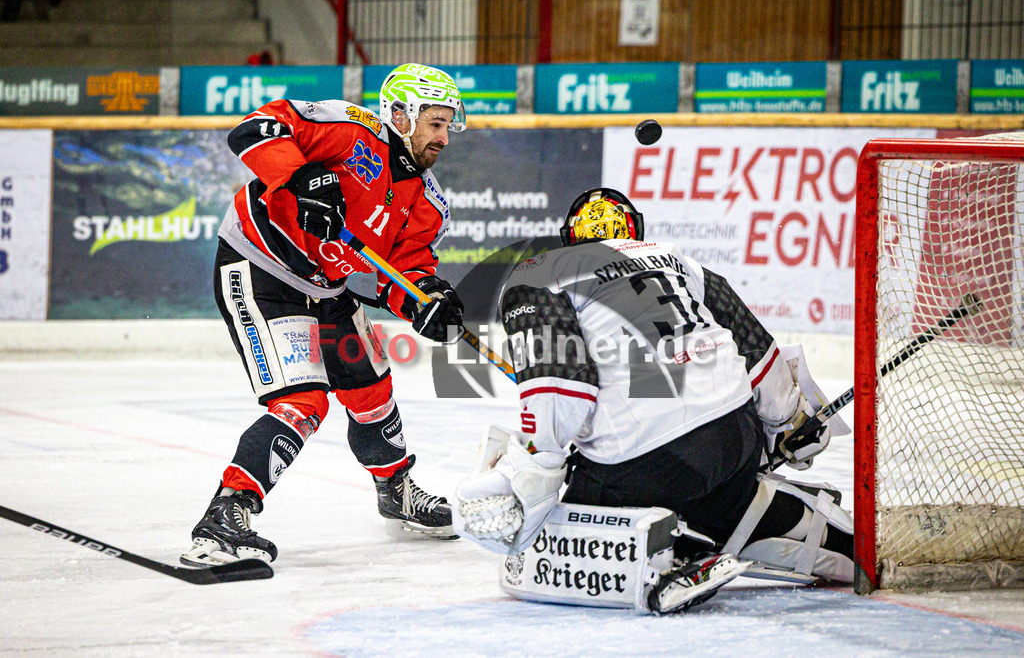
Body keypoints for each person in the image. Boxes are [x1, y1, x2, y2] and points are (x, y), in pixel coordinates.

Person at [453, 188, 854, 613]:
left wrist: (534, 468)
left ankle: (672, 553)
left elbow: (561, 389)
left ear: (568, 237)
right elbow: (757, 352)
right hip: (737, 438)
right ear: (636, 231)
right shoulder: (681, 262)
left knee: (536, 554)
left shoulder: (538, 273)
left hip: (644, 462)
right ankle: (792, 519)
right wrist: (787, 423)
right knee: (720, 494)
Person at [180, 63, 469, 567]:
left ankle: (395, 489)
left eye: (448, 125)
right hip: (260, 266)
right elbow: (254, 128)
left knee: (372, 391)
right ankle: (228, 513)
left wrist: (427, 299)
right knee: (303, 402)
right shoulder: (348, 128)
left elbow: (399, 273)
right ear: (400, 114)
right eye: (435, 122)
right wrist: (298, 176)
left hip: (329, 287)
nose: (443, 137)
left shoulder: (430, 202)